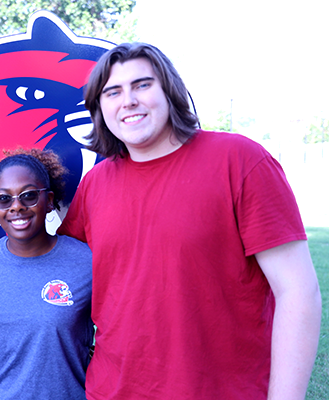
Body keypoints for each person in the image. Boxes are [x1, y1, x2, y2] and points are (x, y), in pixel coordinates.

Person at [59, 42, 321, 399]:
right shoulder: (95, 184)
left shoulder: (240, 161)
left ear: (169, 90)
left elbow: (297, 292)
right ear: (100, 108)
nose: (128, 101)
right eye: (113, 92)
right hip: (112, 391)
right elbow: (61, 276)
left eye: (142, 85)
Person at [0, 149, 93, 399]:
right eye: (4, 199)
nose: (17, 206)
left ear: (48, 200)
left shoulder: (85, 261)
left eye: (29, 196)